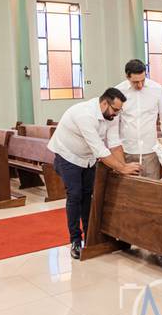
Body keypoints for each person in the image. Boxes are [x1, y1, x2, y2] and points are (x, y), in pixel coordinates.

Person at [48, 88, 141, 259]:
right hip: (68, 155)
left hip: (88, 157)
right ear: (104, 103)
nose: (117, 114)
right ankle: (75, 240)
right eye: (115, 109)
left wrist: (124, 167)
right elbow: (100, 149)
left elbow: (114, 143)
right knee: (75, 195)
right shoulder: (85, 114)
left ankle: (91, 236)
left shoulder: (111, 115)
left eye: (119, 110)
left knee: (88, 195)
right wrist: (121, 168)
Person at [115, 59, 162, 180]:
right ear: (127, 76)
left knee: (152, 186)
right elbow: (114, 122)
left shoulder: (157, 89)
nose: (140, 85)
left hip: (150, 149)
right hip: (127, 149)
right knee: (129, 187)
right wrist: (116, 147)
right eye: (135, 82)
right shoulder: (118, 91)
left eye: (143, 80)